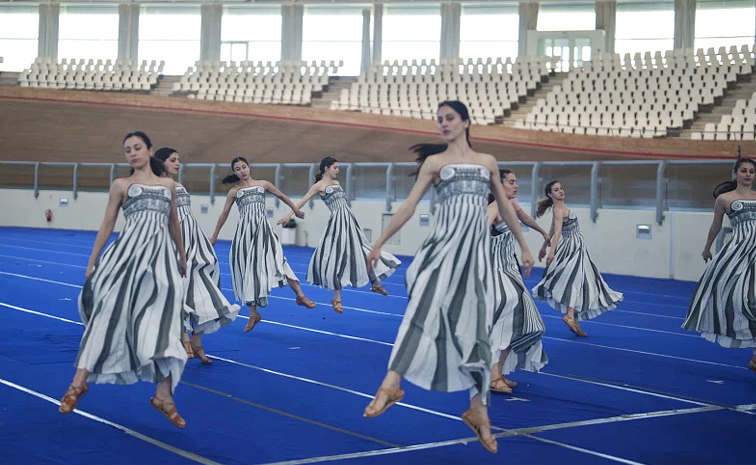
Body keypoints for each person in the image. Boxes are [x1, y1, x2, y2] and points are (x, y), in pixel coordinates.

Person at [362, 101, 535, 454]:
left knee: (475, 330)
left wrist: (524, 247)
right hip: (441, 249)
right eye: (438, 119)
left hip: (474, 258)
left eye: (449, 118)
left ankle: (478, 410)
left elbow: (504, 207)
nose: (442, 124)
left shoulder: (487, 162)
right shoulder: (435, 163)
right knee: (421, 309)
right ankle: (390, 384)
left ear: (466, 122)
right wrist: (379, 240)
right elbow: (409, 205)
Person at [59, 131, 188, 428]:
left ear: (149, 150)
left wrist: (182, 256)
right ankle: (79, 382)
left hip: (161, 261)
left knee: (165, 323)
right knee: (108, 313)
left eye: (137, 147)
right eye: (127, 149)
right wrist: (92, 261)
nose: (132, 153)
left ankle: (164, 395)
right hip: (127, 257)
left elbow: (173, 223)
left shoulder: (168, 185)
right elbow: (108, 223)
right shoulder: (121, 185)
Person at [277, 156, 400, 313]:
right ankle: (338, 297)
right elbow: (302, 201)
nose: (338, 170)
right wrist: (290, 215)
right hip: (337, 223)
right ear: (326, 168)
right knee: (338, 257)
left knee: (362, 251)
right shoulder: (318, 186)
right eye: (335, 167)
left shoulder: (337, 184)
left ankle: (374, 283)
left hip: (349, 221)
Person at [154, 147, 240, 363]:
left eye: (178, 159)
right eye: (173, 160)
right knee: (180, 287)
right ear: (161, 162)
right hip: (176, 241)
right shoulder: (156, 186)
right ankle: (182, 335)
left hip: (195, 241)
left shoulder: (178, 185)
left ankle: (196, 339)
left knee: (204, 286)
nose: (178, 163)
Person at [210, 157, 312, 333]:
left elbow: (281, 195)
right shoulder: (234, 192)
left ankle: (300, 295)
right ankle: (253, 314)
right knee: (247, 271)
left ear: (249, 167)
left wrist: (294, 210)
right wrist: (215, 235)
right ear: (234, 172)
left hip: (264, 231)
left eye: (244, 167)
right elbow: (224, 214)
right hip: (245, 235)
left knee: (279, 260)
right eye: (238, 169)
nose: (242, 170)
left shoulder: (263, 184)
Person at [683, 157, 756, 373]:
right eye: (743, 170)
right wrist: (707, 248)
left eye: (752, 171)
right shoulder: (724, 199)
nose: (748, 174)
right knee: (743, 300)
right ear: (735, 173)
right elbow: (715, 227)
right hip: (739, 252)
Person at [531, 181, 623, 336]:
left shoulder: (558, 208)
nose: (560, 191)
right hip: (571, 247)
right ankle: (569, 315)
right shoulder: (559, 210)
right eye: (556, 190)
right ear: (550, 194)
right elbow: (558, 231)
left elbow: (552, 230)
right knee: (576, 278)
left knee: (581, 279)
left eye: (561, 188)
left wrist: (543, 246)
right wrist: (551, 251)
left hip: (577, 246)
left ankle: (573, 317)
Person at [487, 169, 548, 394]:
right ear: (498, 186)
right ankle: (493, 376)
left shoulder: (509, 206)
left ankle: (498, 372)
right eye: (511, 182)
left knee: (525, 324)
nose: (516, 186)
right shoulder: (492, 209)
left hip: (510, 271)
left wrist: (528, 247)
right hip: (495, 273)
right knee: (502, 322)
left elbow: (523, 223)